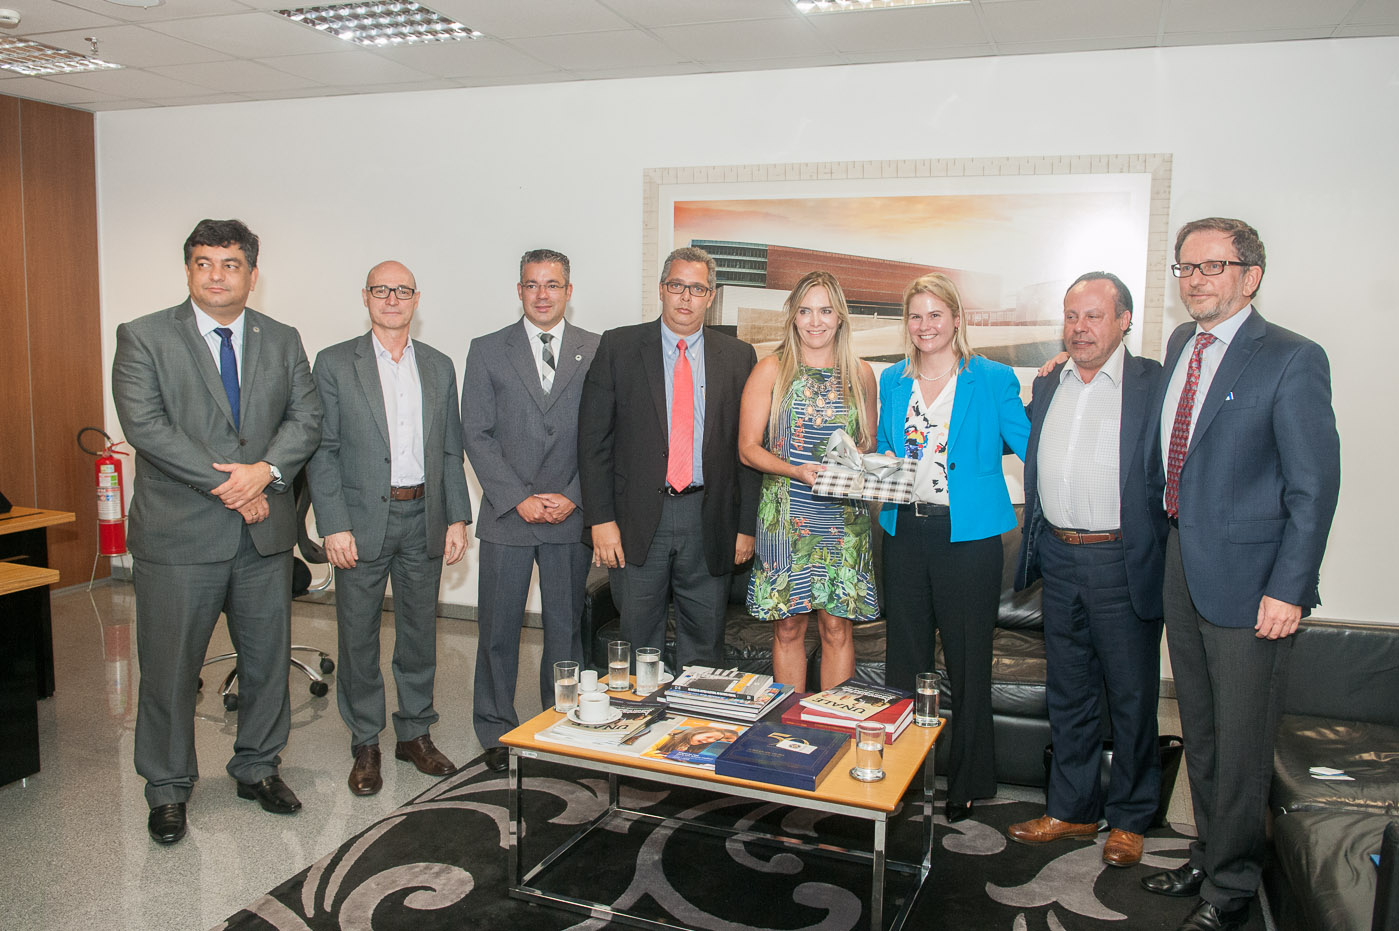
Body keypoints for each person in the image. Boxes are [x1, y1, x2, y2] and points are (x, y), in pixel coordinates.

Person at [1140, 219, 1339, 931]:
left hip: (1253, 584)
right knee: (1200, 729)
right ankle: (1208, 853)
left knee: (1243, 743)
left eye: (1212, 266)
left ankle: (1231, 889)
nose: (1195, 280)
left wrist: (1289, 587)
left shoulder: (1291, 357)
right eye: (1185, 267)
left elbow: (1312, 487)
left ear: (1250, 276)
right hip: (1182, 565)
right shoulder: (1180, 344)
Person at [112, 218, 322, 844]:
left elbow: (306, 418)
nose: (216, 275)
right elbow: (147, 427)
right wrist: (232, 485)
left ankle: (258, 766)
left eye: (230, 264)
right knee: (170, 670)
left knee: (265, 664)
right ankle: (167, 786)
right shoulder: (144, 336)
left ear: (252, 275)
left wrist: (264, 473)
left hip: (262, 540)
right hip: (179, 538)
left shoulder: (281, 338)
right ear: (188, 269)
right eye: (203, 263)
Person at [1005, 273, 1167, 868]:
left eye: (1094, 316)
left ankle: (1130, 818)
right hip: (1059, 557)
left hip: (1122, 559)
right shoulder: (1050, 383)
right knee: (1068, 693)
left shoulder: (1155, 382)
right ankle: (1071, 809)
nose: (1080, 328)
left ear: (1124, 320)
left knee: (1130, 696)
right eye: (1072, 316)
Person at [305, 261, 471, 796]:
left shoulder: (439, 366)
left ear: (416, 299)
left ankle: (414, 733)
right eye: (382, 290)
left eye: (402, 290)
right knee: (358, 637)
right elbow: (323, 452)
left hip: (424, 516)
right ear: (366, 297)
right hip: (359, 523)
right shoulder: (334, 363)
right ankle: (365, 741)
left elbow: (450, 450)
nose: (392, 299)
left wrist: (457, 516)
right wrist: (333, 525)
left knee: (419, 633)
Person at [876, 272, 1030, 823]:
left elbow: (1030, 443)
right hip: (904, 534)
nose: (925, 326)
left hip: (969, 539)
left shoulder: (992, 378)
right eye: (916, 315)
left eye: (936, 314)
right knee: (904, 665)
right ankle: (899, 777)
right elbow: (884, 448)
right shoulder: (892, 380)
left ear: (957, 319)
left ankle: (967, 782)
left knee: (968, 665)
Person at [578, 246, 760, 671]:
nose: (685, 297)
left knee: (704, 645)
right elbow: (592, 442)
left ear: (710, 297)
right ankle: (642, 714)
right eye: (677, 285)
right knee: (639, 644)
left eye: (697, 289)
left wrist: (745, 527)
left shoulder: (738, 357)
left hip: (709, 518)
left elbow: (748, 450)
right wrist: (600, 520)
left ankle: (695, 715)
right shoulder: (619, 346)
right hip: (638, 519)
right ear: (661, 289)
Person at [461, 249, 599, 773]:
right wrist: (518, 497)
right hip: (508, 517)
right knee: (498, 633)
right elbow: (476, 432)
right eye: (532, 284)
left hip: (569, 515)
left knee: (565, 631)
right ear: (519, 290)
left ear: (569, 291)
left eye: (553, 284)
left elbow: (603, 435)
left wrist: (574, 493)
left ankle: (560, 724)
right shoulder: (487, 350)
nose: (543, 294)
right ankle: (496, 732)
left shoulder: (596, 349)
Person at [737, 270, 879, 691]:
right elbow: (747, 448)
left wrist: (864, 458)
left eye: (825, 311)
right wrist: (795, 470)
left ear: (840, 317)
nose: (815, 321)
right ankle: (789, 721)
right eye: (805, 311)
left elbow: (867, 442)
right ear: (793, 317)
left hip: (843, 518)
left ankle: (834, 721)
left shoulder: (860, 374)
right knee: (788, 628)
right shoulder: (771, 369)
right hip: (785, 513)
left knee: (838, 628)